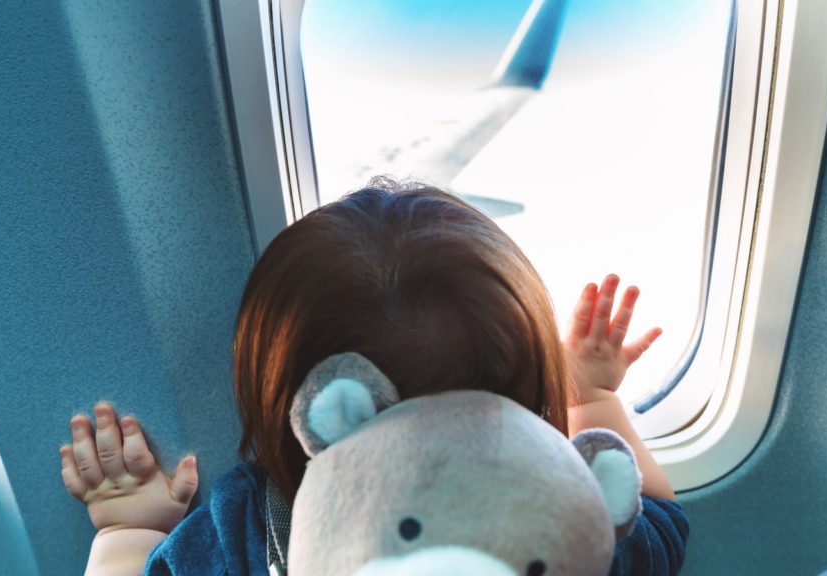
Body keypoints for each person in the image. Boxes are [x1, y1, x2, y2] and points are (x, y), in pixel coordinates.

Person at [59, 180, 688, 575]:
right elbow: (659, 517)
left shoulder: (242, 535)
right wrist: (593, 400)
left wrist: (127, 529)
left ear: (316, 411)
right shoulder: (571, 526)